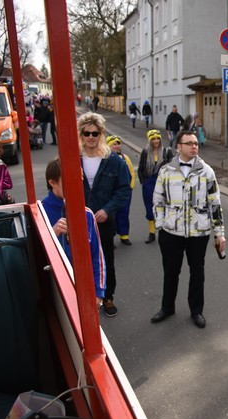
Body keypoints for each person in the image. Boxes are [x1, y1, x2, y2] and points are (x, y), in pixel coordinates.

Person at [150, 130, 225, 328]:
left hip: (198, 233)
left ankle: (196, 311)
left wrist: (219, 234)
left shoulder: (207, 172)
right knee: (170, 272)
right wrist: (160, 226)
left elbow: (215, 204)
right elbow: (158, 200)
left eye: (196, 143)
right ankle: (167, 307)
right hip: (171, 232)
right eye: (189, 143)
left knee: (197, 273)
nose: (194, 146)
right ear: (179, 147)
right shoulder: (166, 171)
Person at [78, 112, 131, 317]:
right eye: (87, 133)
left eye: (95, 133)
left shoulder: (114, 161)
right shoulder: (73, 158)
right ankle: (85, 296)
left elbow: (124, 189)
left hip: (104, 220)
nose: (91, 137)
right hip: (80, 220)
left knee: (106, 259)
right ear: (81, 135)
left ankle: (108, 297)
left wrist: (107, 210)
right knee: (81, 259)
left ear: (101, 134)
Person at [41, 158, 106, 307]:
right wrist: (52, 234)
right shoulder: (40, 212)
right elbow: (35, 255)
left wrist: (98, 293)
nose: (74, 186)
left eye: (78, 180)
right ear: (52, 182)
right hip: (55, 291)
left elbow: (97, 255)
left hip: (84, 289)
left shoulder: (87, 214)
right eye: (68, 181)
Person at [138, 129, 173, 244]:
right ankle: (152, 232)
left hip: (163, 182)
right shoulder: (145, 152)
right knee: (149, 207)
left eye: (158, 138)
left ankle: (165, 231)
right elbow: (141, 168)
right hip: (149, 182)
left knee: (165, 206)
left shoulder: (167, 151)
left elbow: (173, 168)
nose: (156, 141)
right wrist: (144, 182)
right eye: (153, 139)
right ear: (150, 140)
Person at [107, 135, 136, 246]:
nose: (117, 146)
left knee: (124, 213)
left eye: (118, 143)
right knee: (111, 216)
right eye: (114, 144)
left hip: (124, 193)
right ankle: (111, 238)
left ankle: (124, 235)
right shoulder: (105, 158)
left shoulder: (125, 158)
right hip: (111, 192)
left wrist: (130, 187)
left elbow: (132, 173)